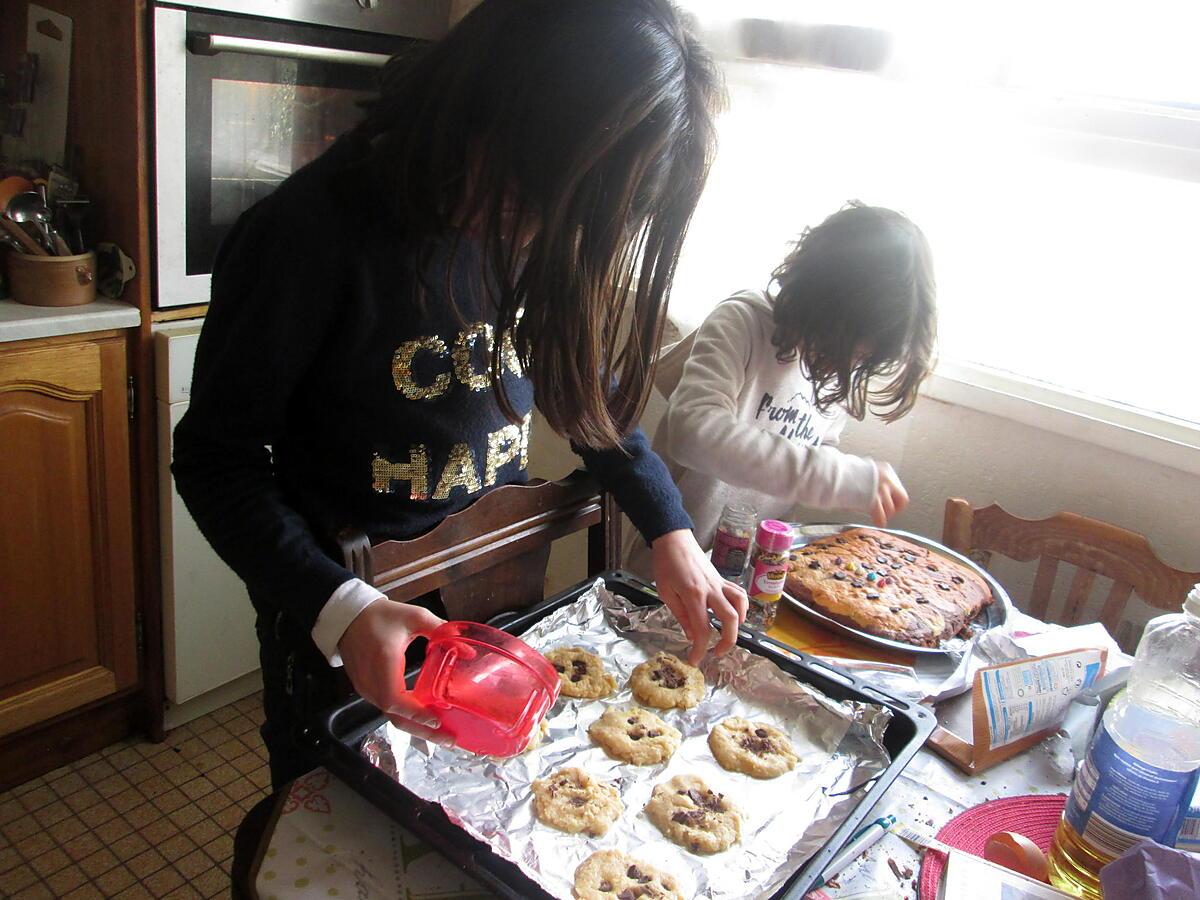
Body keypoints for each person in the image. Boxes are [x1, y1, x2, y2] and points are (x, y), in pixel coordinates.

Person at [172, 0, 747, 789]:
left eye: (560, 221)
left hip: (485, 592)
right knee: (331, 802)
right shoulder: (309, 233)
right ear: (485, 103)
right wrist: (339, 606)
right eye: (524, 201)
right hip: (336, 602)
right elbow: (214, 459)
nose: (530, 236)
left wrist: (670, 528)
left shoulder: (549, 226)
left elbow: (589, 398)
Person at [625, 202, 937, 577]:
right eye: (850, 348)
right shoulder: (742, 322)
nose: (849, 364)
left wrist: (832, 467)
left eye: (862, 358)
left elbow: (815, 449)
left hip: (749, 575)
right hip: (670, 568)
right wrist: (837, 476)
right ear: (822, 300)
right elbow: (693, 433)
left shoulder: (833, 371)